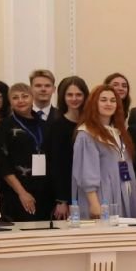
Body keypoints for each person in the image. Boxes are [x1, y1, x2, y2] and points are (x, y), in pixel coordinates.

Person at [71, 84, 136, 218]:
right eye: (103, 100)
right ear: (94, 104)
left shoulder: (118, 132)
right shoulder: (86, 134)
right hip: (102, 197)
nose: (109, 104)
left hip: (124, 190)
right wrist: (94, 204)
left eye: (113, 100)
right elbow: (86, 172)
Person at [0, 83, 52, 221]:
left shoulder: (44, 125)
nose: (20, 100)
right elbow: (3, 163)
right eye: (15, 97)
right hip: (16, 193)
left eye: (25, 96)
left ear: (32, 98)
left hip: (45, 193)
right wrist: (22, 193)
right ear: (10, 102)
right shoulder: (5, 125)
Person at [46, 76, 90, 220]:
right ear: (63, 97)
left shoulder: (91, 124)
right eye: (69, 95)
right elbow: (57, 166)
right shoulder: (57, 126)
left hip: (91, 189)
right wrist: (62, 200)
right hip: (69, 192)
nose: (74, 98)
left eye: (78, 94)